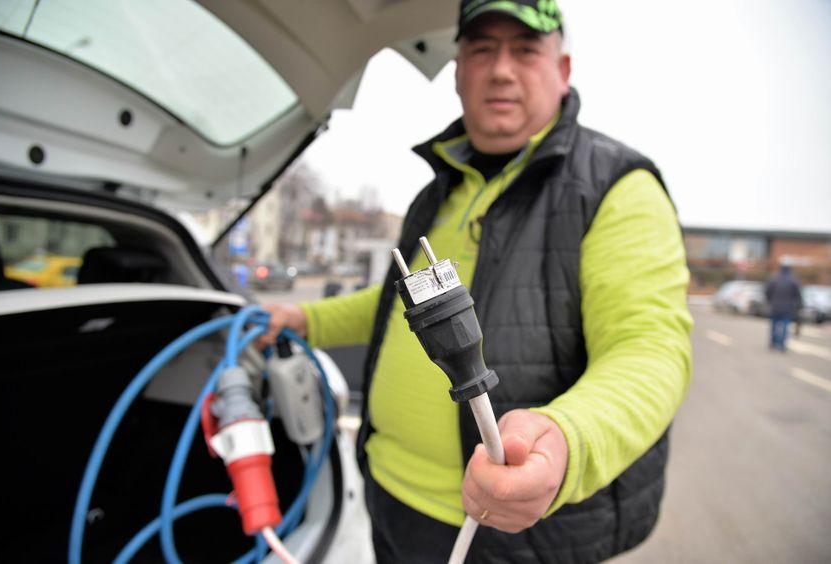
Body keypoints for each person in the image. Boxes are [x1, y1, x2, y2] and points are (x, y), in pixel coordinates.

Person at [260, 1, 693, 561]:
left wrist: (568, 440)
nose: (502, 70)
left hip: (507, 536)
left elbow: (651, 348)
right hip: (385, 495)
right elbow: (400, 304)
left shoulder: (615, 185)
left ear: (562, 70)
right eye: (482, 50)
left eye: (526, 50)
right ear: (459, 72)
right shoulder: (437, 193)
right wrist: (304, 318)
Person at [765, 263, 802, 351]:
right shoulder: (793, 280)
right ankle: (781, 344)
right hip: (787, 308)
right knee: (785, 326)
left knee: (774, 326)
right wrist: (798, 306)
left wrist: (770, 301)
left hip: (775, 307)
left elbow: (767, 292)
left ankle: (773, 343)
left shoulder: (774, 279)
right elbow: (798, 295)